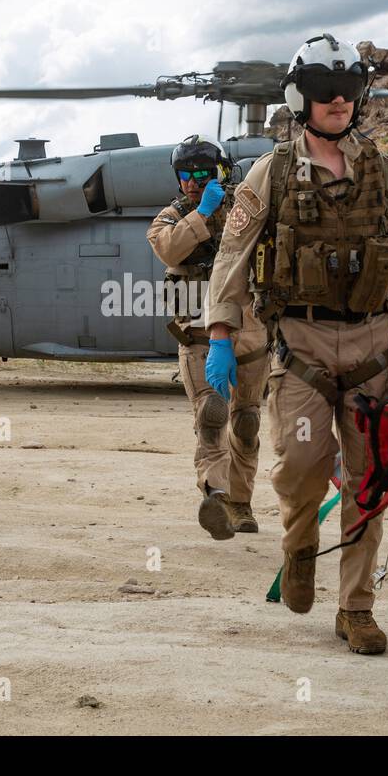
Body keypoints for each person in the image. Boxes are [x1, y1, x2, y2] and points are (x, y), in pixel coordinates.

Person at [203, 34, 388, 655]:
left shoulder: (387, 172)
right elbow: (233, 255)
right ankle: (300, 542)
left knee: (370, 480)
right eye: (325, 91)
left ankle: (356, 608)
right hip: (300, 346)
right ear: (300, 99)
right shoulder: (270, 174)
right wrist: (220, 334)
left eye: (349, 91)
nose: (338, 102)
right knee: (301, 469)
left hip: (374, 348)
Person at [146, 135, 269, 540]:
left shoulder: (246, 207)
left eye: (204, 173)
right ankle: (215, 494)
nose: (195, 182)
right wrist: (201, 213)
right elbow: (167, 250)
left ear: (221, 171)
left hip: (249, 331)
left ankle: (241, 503)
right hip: (198, 333)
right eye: (187, 176)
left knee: (246, 421)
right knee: (211, 414)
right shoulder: (171, 217)